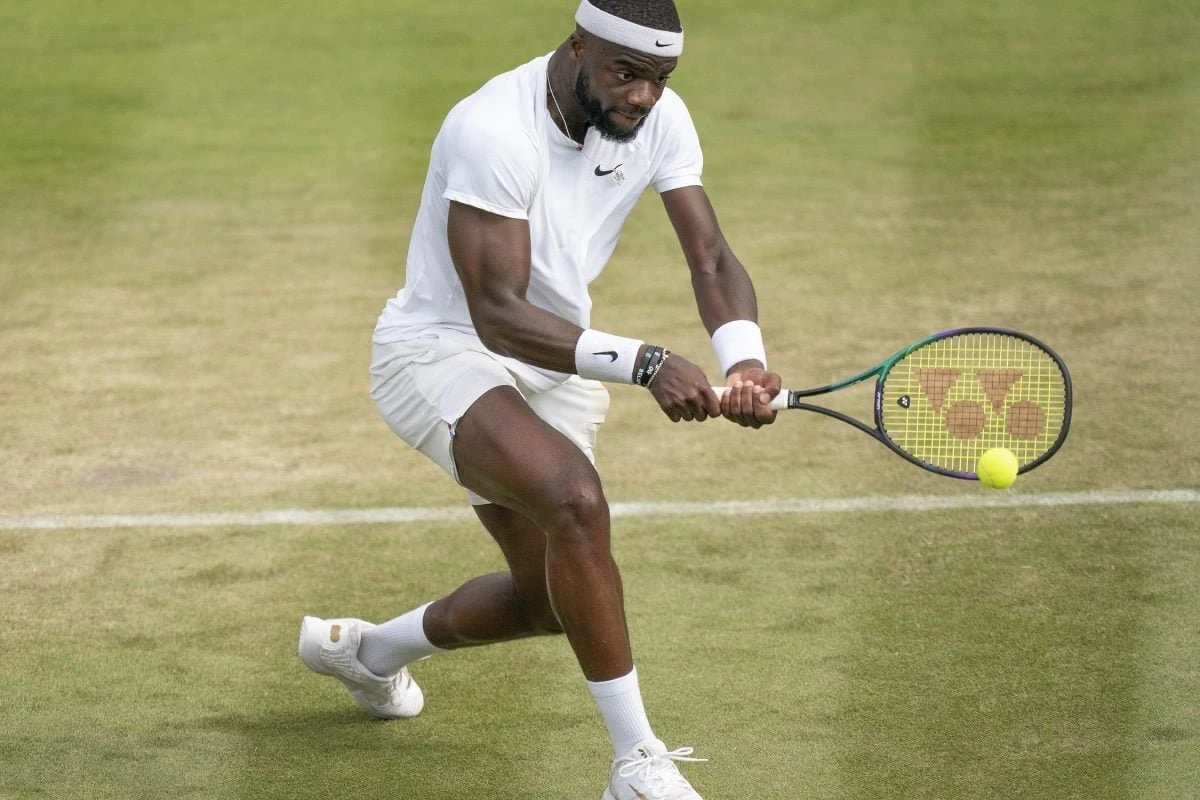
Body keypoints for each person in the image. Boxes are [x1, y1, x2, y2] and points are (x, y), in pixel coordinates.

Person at [298, 1, 781, 797]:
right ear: (578, 47)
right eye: (627, 73)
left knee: (551, 602)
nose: (644, 96)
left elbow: (711, 256)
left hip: (553, 362)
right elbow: (497, 311)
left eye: (660, 79)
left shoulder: (661, 119)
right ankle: (637, 765)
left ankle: (367, 653)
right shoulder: (493, 129)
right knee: (575, 502)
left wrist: (746, 361)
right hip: (441, 350)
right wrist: (647, 363)